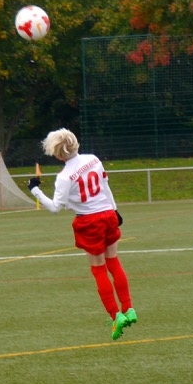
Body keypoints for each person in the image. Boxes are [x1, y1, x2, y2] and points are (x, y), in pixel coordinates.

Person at [26, 128, 137, 341]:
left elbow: (55, 207)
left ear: (58, 154)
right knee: (114, 262)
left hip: (89, 221)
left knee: (99, 270)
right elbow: (105, 186)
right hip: (108, 213)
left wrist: (35, 190)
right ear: (75, 143)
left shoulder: (64, 177)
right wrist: (115, 210)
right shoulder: (93, 159)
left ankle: (116, 316)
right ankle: (129, 308)